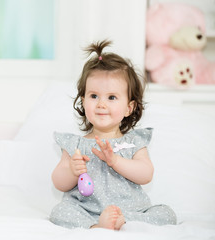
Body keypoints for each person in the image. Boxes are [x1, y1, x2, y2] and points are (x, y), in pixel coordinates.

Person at [49, 40, 177, 230]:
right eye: (94, 96)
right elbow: (58, 182)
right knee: (59, 212)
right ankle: (95, 226)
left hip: (129, 210)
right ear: (83, 101)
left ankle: (120, 222)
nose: (101, 104)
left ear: (128, 107)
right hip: (86, 210)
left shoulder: (133, 142)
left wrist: (115, 160)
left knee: (167, 214)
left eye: (111, 97)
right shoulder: (75, 144)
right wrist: (72, 170)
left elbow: (146, 174)